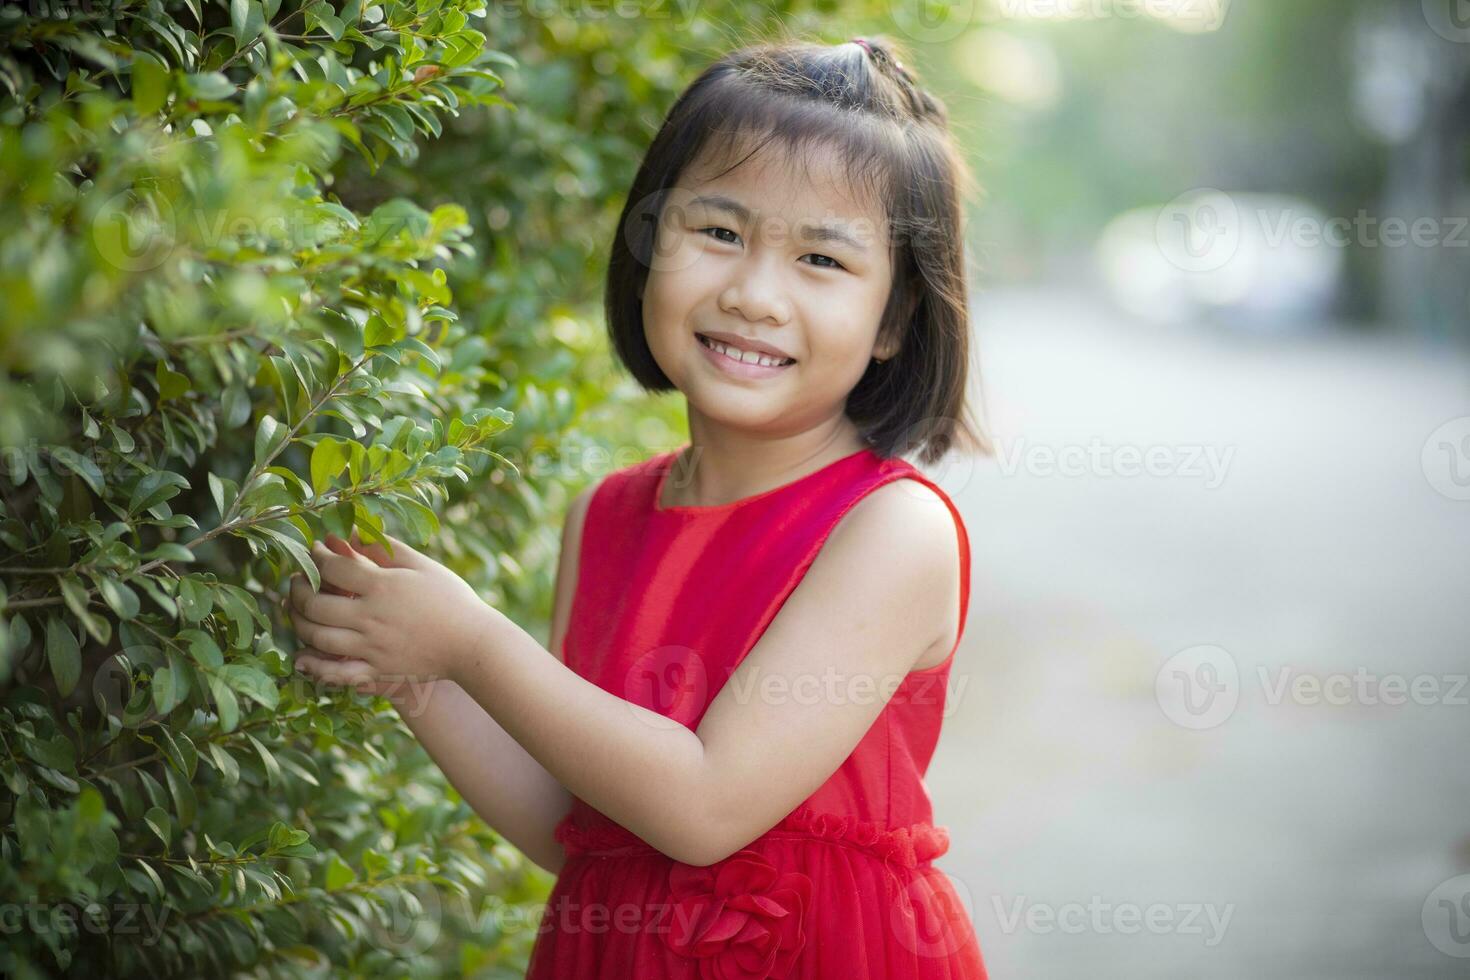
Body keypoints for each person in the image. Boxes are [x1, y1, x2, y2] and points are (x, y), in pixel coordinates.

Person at [288, 33, 992, 978]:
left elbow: (702, 810)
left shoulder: (890, 532)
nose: (753, 294)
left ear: (896, 320)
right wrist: (412, 670)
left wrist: (470, 641)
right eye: (719, 233)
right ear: (649, 242)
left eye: (821, 260)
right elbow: (578, 823)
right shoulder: (607, 514)